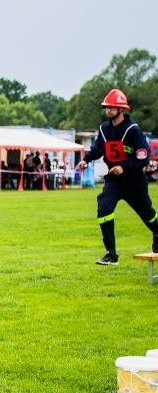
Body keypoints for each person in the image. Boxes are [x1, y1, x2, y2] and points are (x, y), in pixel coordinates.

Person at [78, 88, 158, 264]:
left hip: (134, 180)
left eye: (112, 107)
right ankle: (111, 254)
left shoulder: (133, 130)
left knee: (148, 214)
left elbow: (143, 157)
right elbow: (98, 149)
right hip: (114, 181)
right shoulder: (104, 129)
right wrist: (86, 159)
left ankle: (157, 231)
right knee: (104, 209)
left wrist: (125, 167)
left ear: (122, 109)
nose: (108, 110)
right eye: (107, 107)